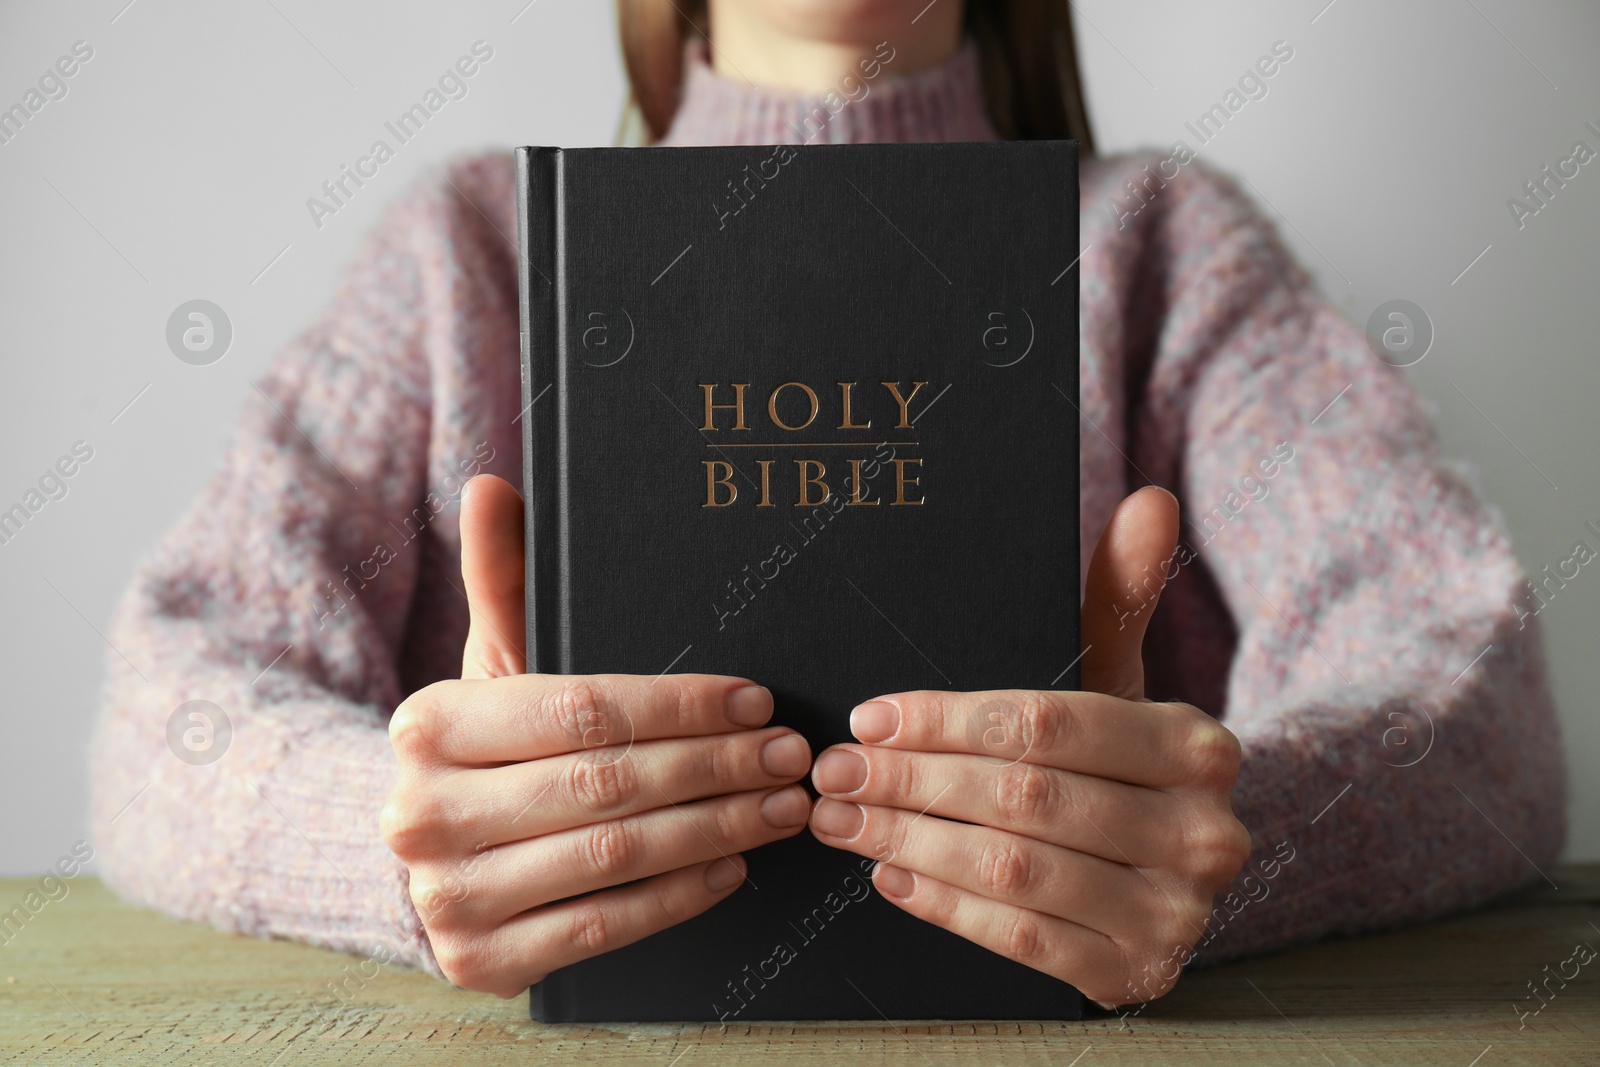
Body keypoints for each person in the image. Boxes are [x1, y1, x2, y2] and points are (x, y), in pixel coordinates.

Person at [89, 0, 1566, 1010]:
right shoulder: (470, 256)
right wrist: (400, 842)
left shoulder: (1160, 249)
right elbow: (167, 707)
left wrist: (1218, 833)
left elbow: (1481, 703)